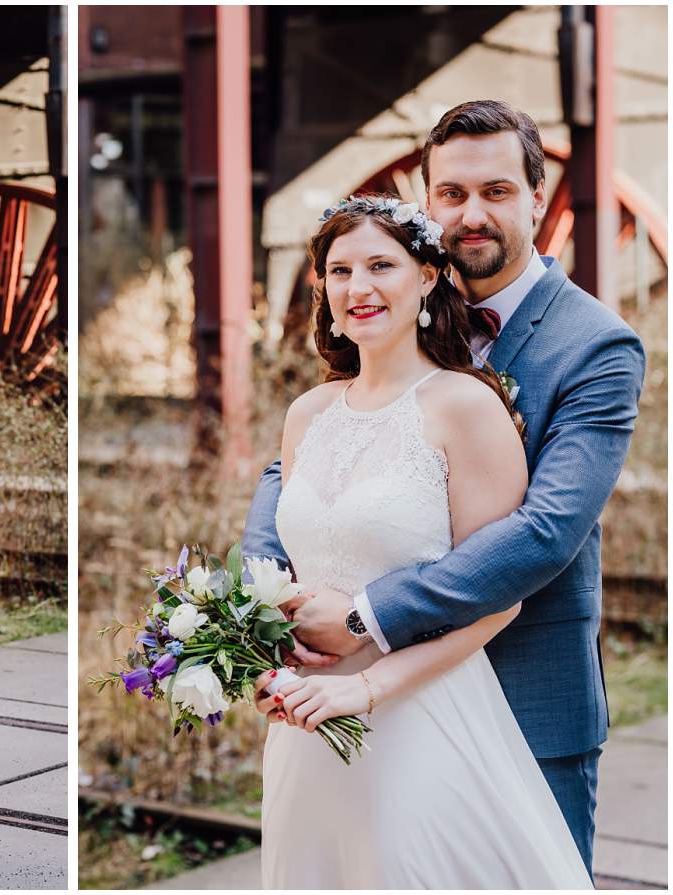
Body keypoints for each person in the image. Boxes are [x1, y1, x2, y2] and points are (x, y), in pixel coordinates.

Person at [244, 101, 644, 884]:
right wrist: (260, 598)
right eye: (452, 194)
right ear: (429, 204)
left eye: (496, 191)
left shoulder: (595, 344)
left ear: (537, 196)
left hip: (523, 686)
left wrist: (366, 615)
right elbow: (300, 469)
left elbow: (544, 533)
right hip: (339, 695)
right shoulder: (397, 304)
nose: (473, 214)